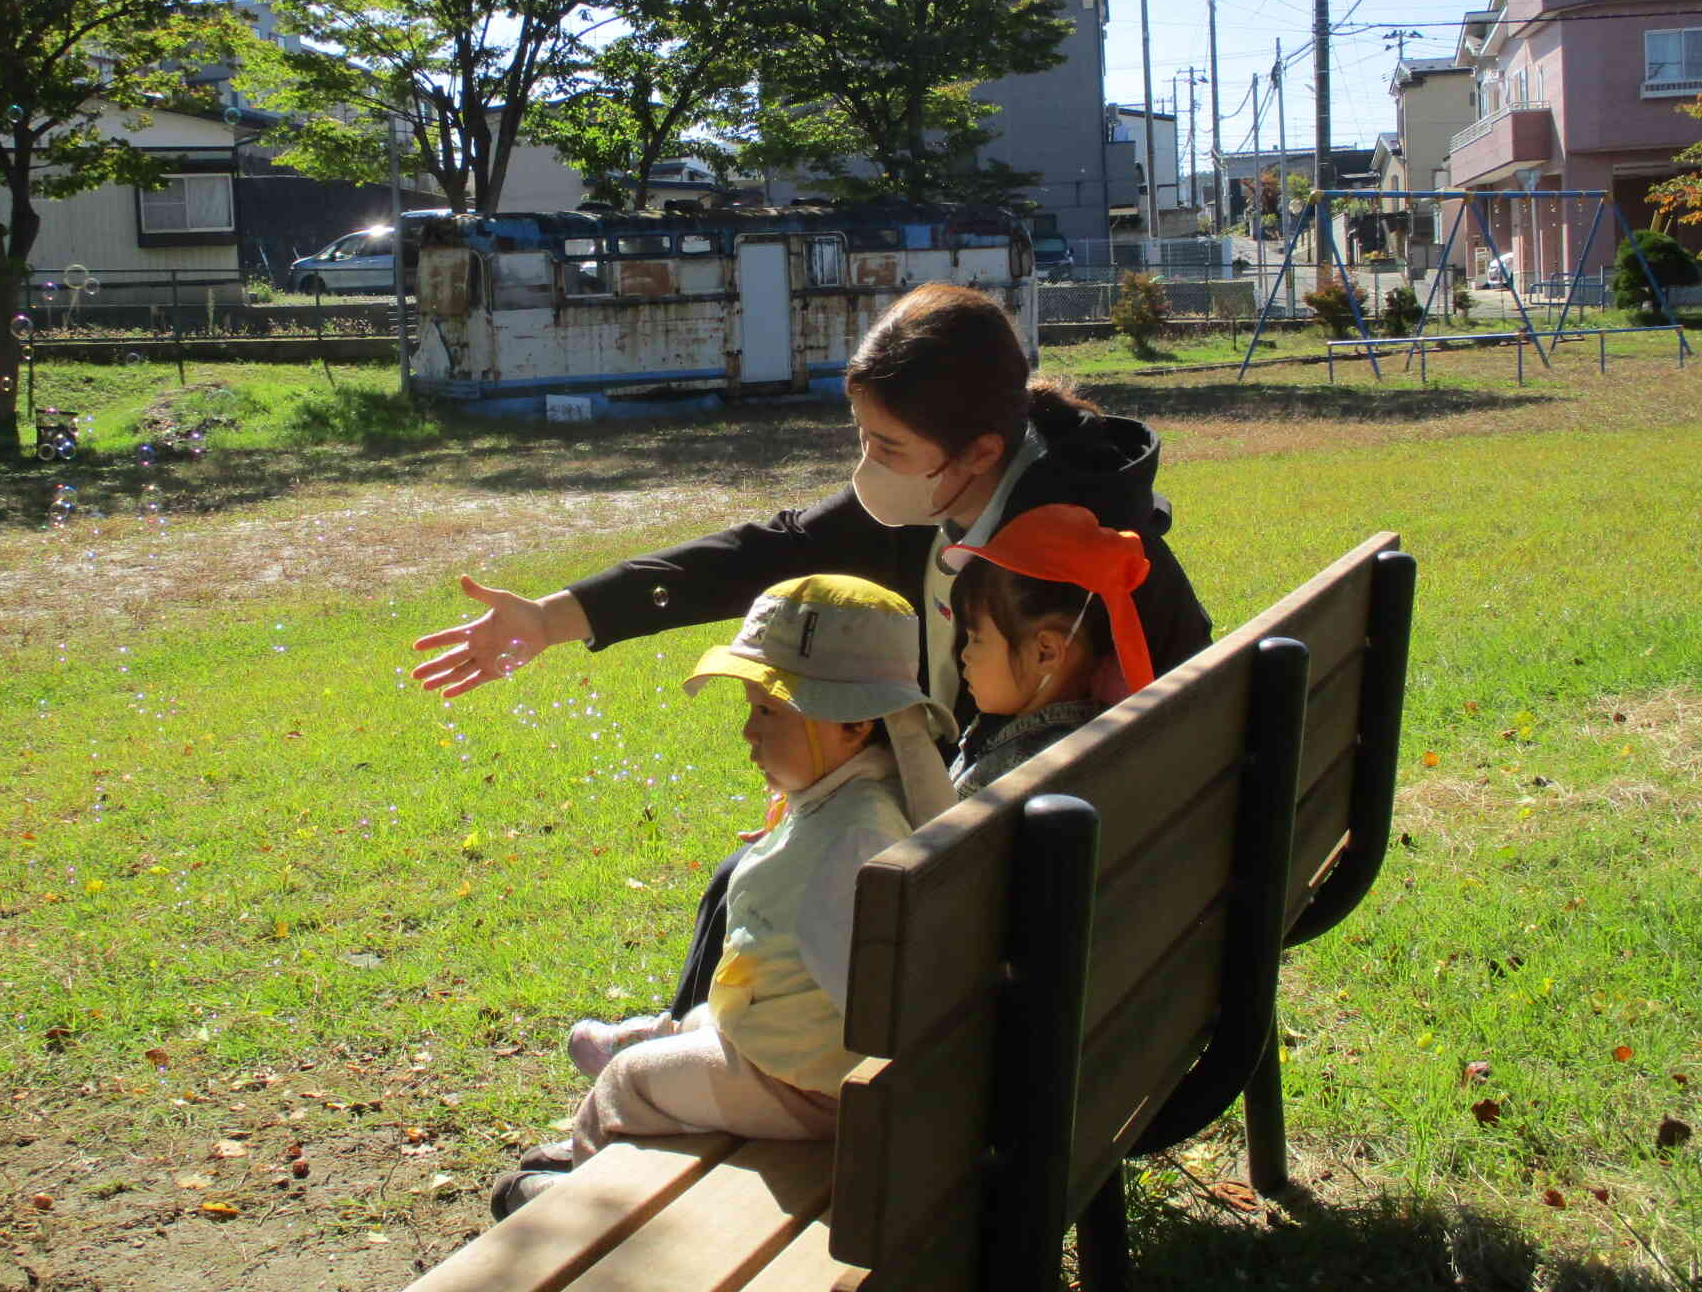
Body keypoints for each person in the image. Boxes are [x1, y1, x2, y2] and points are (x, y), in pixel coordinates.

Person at [413, 282, 1211, 1028]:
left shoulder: (1062, 563)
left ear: (976, 452)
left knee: (767, 876)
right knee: (765, 868)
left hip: (1071, 902)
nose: (868, 469)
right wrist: (557, 617)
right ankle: (687, 1056)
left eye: (889, 447)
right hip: (1097, 855)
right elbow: (770, 550)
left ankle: (696, 1078)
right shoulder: (996, 486)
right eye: (863, 436)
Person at [490, 574, 956, 1218]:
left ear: (854, 725)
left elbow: (870, 1011)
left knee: (629, 1086)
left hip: (809, 1085)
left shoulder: (852, 846)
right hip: (794, 1046)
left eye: (769, 711)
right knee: (704, 1022)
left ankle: (582, 1205)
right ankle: (660, 1037)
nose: (748, 732)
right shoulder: (862, 790)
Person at [944, 503, 1158, 800]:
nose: (965, 655)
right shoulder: (1098, 735)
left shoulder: (1011, 779)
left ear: (1045, 653)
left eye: (976, 638)